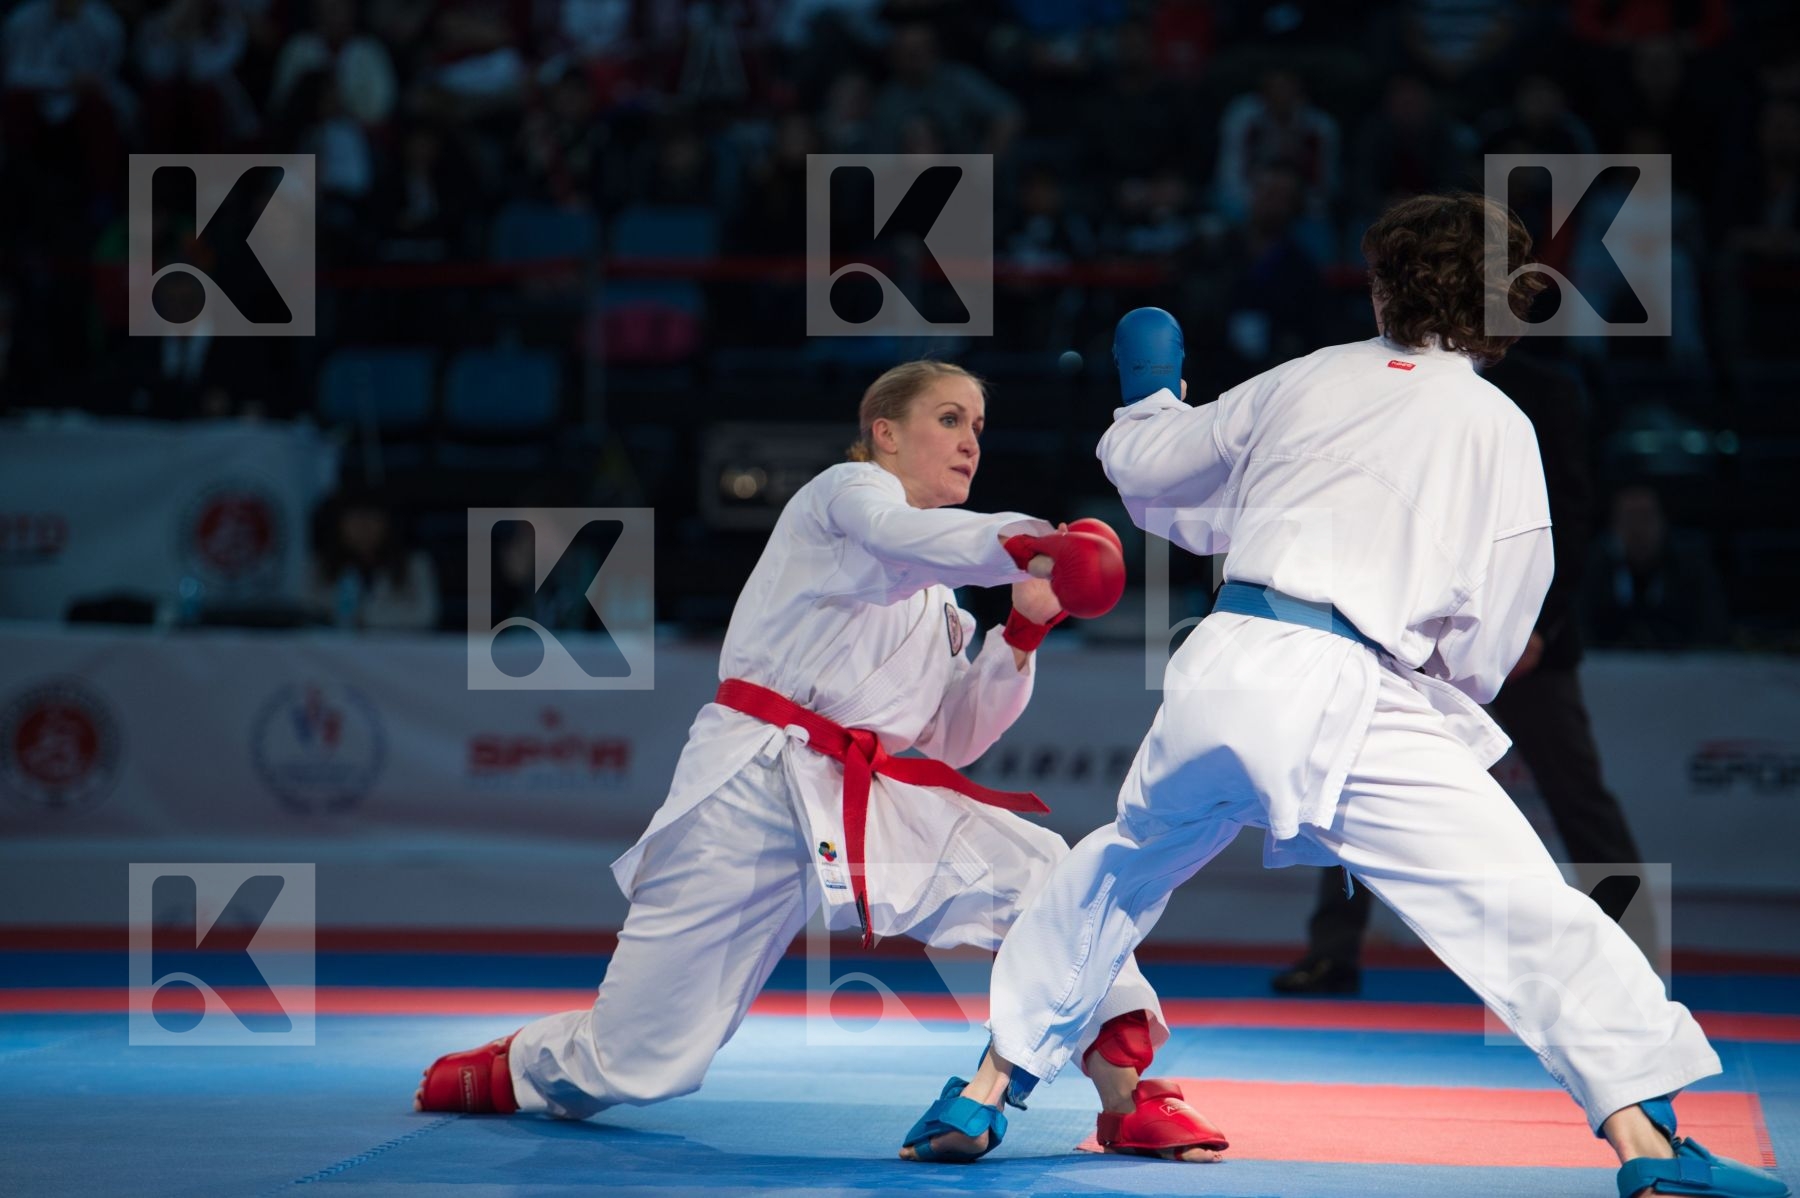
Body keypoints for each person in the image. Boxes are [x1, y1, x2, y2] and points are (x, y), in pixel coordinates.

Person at [899, 199, 1788, 1198]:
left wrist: (1148, 392)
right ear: (1507, 305)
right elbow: (1494, 633)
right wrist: (1436, 675)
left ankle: (984, 1089)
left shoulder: (1305, 378)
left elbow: (1153, 480)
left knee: (1115, 870)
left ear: (1379, 288)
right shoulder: (1497, 425)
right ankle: (1651, 1148)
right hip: (1349, 682)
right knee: (1520, 908)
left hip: (1223, 662)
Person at [414, 361, 1228, 1162]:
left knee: (1054, 874)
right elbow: (902, 535)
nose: (968, 442)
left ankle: (1131, 1092)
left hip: (862, 789)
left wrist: (1020, 632)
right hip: (753, 784)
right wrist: (1032, 544)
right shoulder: (845, 498)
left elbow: (944, 740)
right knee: (646, 1060)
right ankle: (520, 1068)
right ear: (883, 433)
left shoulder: (943, 601)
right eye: (947, 420)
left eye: (978, 427)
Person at [1274, 350, 1646, 996]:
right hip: (1415, 629)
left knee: (1579, 799)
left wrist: (1541, 627)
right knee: (1351, 781)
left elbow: (1572, 515)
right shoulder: (1399, 382)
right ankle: (1333, 949)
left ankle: (1639, 962)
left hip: (1531, 642)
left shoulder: (1541, 388)